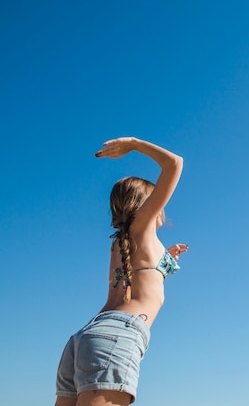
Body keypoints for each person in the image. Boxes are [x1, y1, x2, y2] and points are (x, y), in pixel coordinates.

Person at [55, 137, 188, 406]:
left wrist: (166, 260)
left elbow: (139, 277)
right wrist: (133, 144)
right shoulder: (143, 226)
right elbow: (174, 164)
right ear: (147, 205)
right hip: (116, 337)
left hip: (85, 339)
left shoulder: (120, 242)